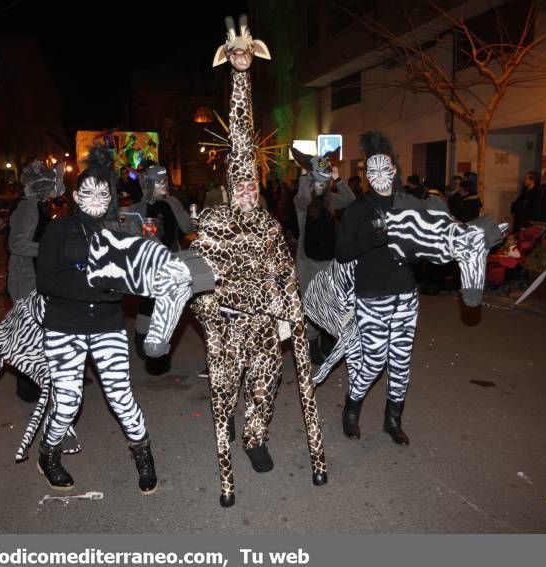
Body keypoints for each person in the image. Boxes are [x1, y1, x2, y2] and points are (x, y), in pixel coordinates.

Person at [190, 14, 326, 507]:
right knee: (226, 388)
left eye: (253, 182)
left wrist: (292, 312)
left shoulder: (270, 224)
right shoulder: (212, 224)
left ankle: (254, 438)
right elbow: (194, 282)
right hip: (228, 327)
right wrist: (240, 75)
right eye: (239, 182)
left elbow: (286, 272)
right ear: (230, 186)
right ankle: (227, 423)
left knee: (266, 386)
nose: (247, 187)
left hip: (267, 326)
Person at [34, 144, 157, 494]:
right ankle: (49, 453)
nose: (97, 198)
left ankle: (143, 452)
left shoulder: (119, 230)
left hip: (107, 324)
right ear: (76, 195)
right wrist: (91, 282)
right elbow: (45, 280)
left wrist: (146, 270)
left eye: (104, 192)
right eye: (89, 191)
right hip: (64, 325)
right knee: (69, 401)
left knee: (121, 395)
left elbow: (126, 282)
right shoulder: (59, 230)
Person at [336, 130, 417, 446]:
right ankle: (351, 410)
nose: (378, 176)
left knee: (401, 362)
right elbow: (342, 253)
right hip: (372, 295)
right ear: (366, 175)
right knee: (373, 361)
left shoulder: (407, 205)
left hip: (406, 294)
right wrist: (373, 238)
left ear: (394, 171)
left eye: (385, 170)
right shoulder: (357, 209)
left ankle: (393, 420)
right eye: (372, 171)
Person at [7, 160, 65, 402]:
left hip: (36, 277)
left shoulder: (39, 206)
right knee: (28, 334)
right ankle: (28, 390)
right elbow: (17, 244)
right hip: (25, 279)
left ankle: (45, 382)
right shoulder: (28, 208)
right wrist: (49, 249)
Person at [126, 165, 194, 372]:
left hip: (172, 263)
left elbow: (187, 228)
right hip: (149, 266)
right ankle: (141, 334)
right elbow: (132, 240)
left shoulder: (172, 202)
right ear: (148, 184)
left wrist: (190, 216)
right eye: (159, 181)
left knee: (171, 308)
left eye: (165, 181)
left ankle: (161, 351)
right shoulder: (136, 209)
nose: (164, 184)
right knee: (149, 304)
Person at [291, 147, 356, 363]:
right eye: (316, 181)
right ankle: (311, 344)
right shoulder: (303, 204)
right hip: (307, 263)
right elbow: (301, 195)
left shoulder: (331, 201)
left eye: (323, 181)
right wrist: (304, 174)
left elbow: (350, 200)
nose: (320, 185)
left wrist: (338, 179)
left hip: (328, 263)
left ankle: (328, 341)